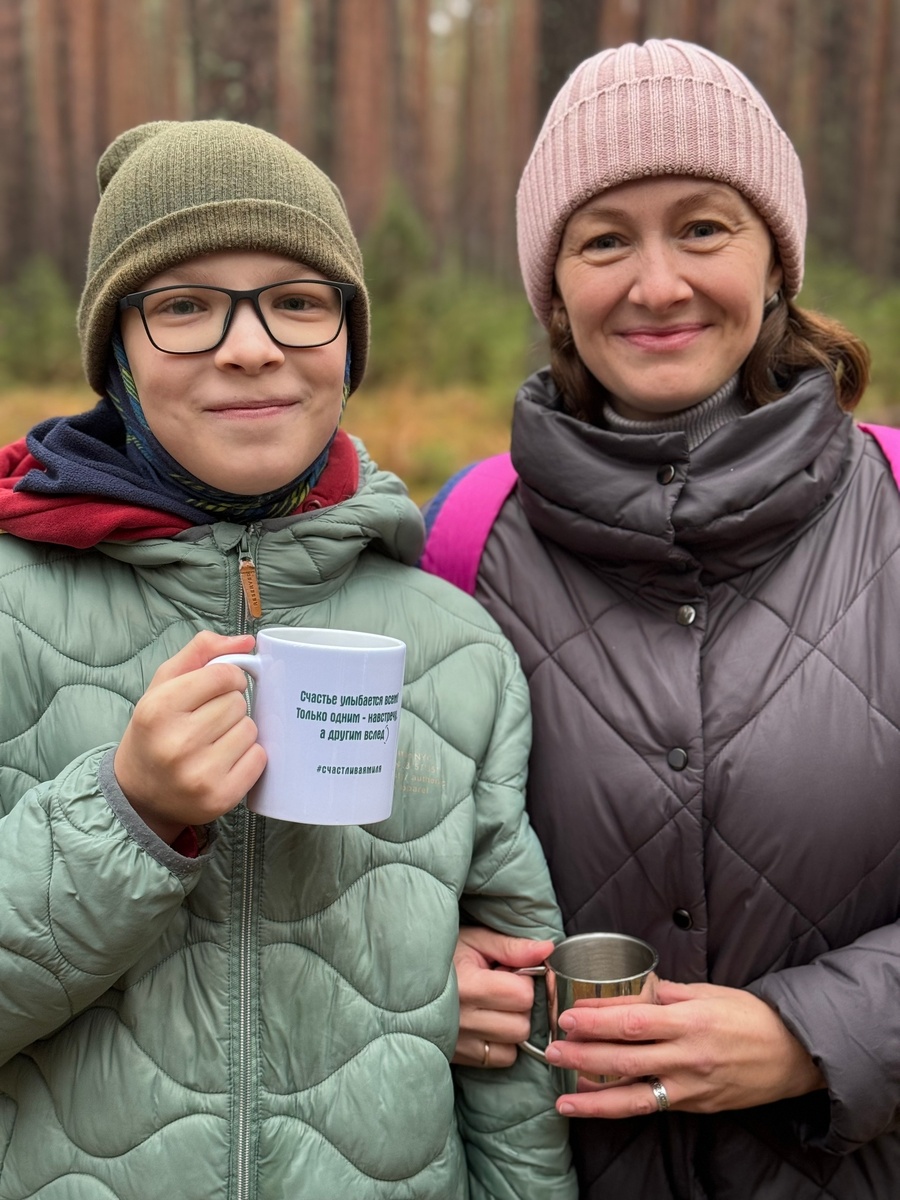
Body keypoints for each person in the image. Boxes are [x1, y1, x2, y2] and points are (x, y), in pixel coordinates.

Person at [0, 119, 576, 1199]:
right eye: (181, 306)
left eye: (298, 301)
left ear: (348, 342)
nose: (251, 345)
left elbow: (513, 1046)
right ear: (113, 354)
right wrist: (122, 817)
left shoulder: (455, 645)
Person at [424, 39, 900, 1199]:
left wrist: (812, 1034)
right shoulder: (467, 536)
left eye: (702, 227)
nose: (656, 284)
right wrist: (421, 974)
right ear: (554, 287)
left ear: (776, 261)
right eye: (603, 240)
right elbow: (391, 874)